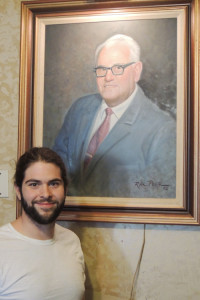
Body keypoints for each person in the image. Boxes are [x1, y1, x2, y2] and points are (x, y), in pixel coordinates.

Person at [53, 34, 176, 198]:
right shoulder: (79, 109)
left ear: (136, 71)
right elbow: (56, 167)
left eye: (118, 68)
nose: (108, 77)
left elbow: (162, 194)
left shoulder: (162, 129)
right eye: (102, 69)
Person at [0, 147, 85, 300]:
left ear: (65, 189)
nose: (46, 194)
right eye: (34, 184)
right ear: (18, 190)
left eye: (54, 184)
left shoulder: (72, 241)